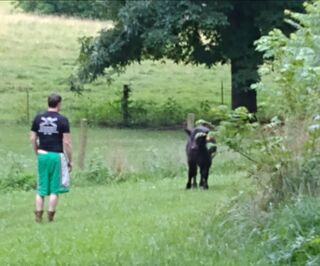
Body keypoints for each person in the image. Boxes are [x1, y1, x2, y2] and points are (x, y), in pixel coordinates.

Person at [30, 93, 72, 223]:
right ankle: (50, 216)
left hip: (42, 154)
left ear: (48, 103)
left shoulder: (38, 118)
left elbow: (32, 138)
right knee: (55, 188)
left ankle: (38, 216)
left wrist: (36, 151)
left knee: (41, 187)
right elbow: (67, 143)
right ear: (59, 104)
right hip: (56, 155)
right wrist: (70, 160)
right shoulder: (63, 120)